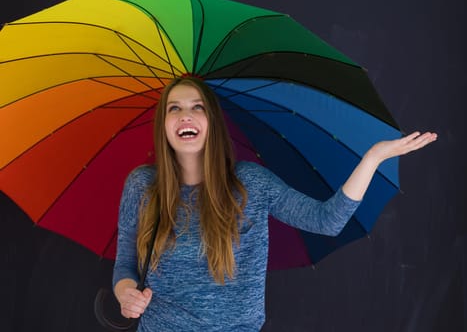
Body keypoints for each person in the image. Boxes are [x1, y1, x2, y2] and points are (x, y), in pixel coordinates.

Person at [112, 76, 437, 331]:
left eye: (198, 107)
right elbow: (125, 265)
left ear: (212, 120)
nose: (186, 115)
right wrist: (125, 292)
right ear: (164, 124)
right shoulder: (142, 186)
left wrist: (373, 157)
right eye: (174, 108)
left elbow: (327, 221)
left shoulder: (250, 183)